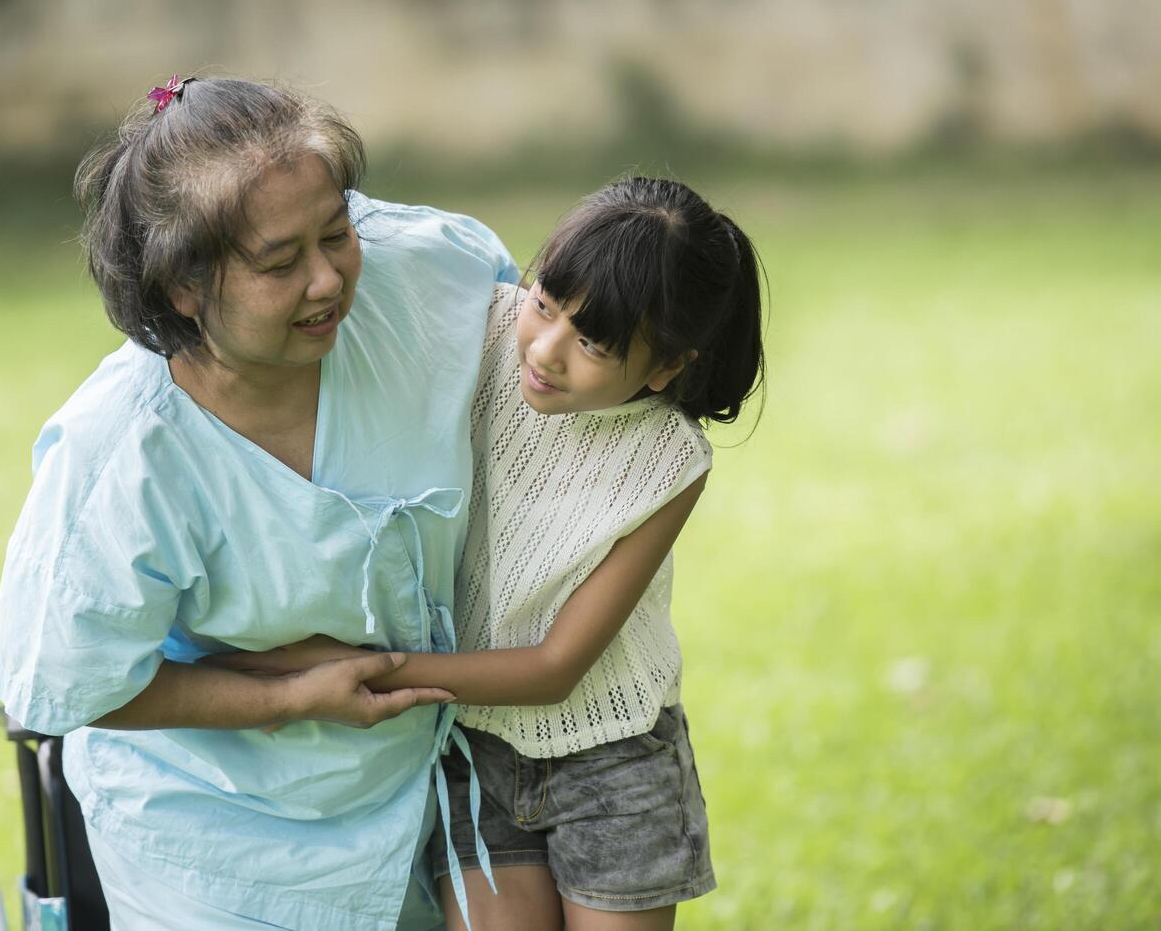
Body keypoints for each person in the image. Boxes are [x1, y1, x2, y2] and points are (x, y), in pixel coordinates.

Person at [0, 75, 520, 930]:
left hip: (442, 794)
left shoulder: (430, 276)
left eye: (337, 232)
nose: (327, 280)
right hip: (215, 843)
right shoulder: (122, 453)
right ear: (181, 288)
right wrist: (286, 698)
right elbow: (67, 684)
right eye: (280, 262)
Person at [214, 177, 766, 929]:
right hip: (472, 751)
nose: (545, 349)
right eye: (544, 303)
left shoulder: (669, 463)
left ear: (666, 366)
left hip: (612, 760)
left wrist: (357, 671)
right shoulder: (476, 332)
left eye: (593, 344)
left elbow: (554, 668)